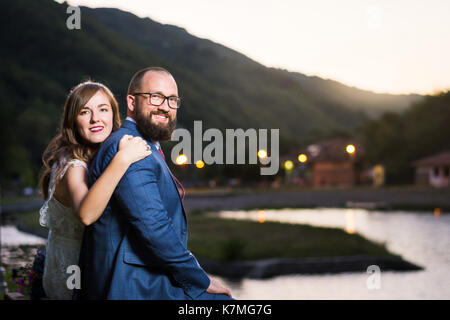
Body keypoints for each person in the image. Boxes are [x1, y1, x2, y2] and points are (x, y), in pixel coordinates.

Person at [77, 67, 233, 300]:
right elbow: (154, 227)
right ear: (131, 102)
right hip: (132, 285)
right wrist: (200, 279)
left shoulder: (144, 145)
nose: (165, 106)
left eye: (172, 99)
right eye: (156, 97)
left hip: (145, 277)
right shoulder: (129, 145)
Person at [38, 81, 152, 300]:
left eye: (103, 109)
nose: (95, 119)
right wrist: (123, 158)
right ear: (73, 120)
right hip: (73, 272)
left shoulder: (90, 157)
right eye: (85, 111)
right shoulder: (73, 166)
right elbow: (87, 215)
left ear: (113, 114)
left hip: (79, 262)